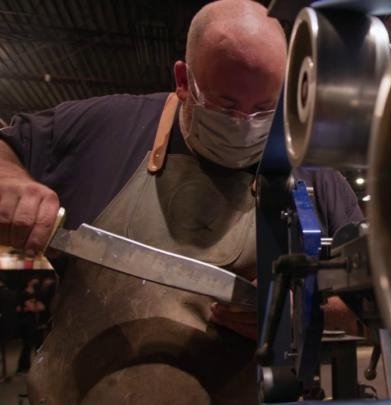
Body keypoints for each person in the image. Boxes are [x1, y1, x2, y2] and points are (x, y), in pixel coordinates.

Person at [0, 0, 363, 403]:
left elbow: (369, 303)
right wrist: (10, 181)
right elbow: (6, 147)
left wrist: (297, 311)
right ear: (184, 80)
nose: (244, 123)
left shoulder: (314, 174)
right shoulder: (105, 130)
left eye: (264, 108)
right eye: (226, 105)